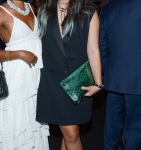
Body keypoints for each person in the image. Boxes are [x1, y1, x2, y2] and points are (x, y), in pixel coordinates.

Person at [36, 0, 102, 150]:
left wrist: (98, 82)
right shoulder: (44, 11)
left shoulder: (88, 11)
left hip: (77, 80)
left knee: (70, 133)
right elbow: (39, 44)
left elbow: (93, 49)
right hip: (52, 81)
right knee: (71, 133)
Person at [0, 0, 49, 149]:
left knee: (34, 122)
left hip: (35, 75)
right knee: (18, 123)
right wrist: (19, 54)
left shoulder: (30, 8)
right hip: (16, 77)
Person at [99, 0, 141, 149]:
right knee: (135, 132)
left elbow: (102, 46)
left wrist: (108, 71)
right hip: (137, 81)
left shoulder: (108, 8)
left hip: (114, 80)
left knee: (112, 130)